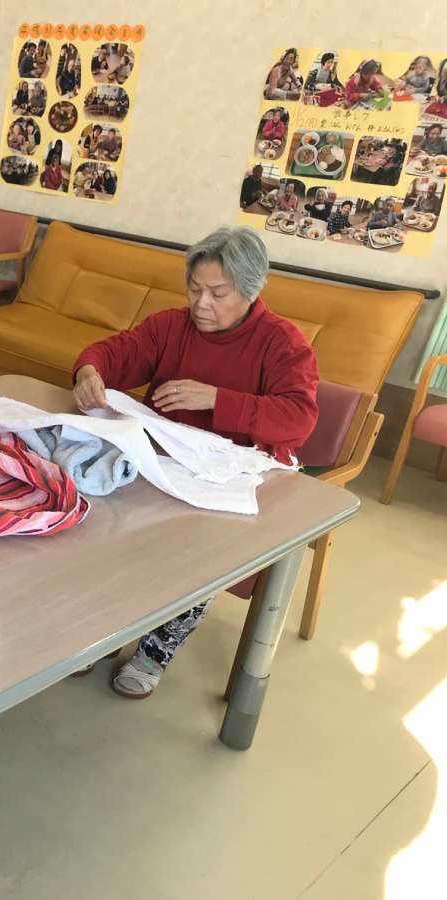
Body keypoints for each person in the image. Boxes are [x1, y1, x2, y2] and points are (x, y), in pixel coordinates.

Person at [71, 228, 318, 699]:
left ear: (251, 289)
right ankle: (109, 628)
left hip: (231, 475)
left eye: (218, 294)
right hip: (165, 462)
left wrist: (218, 400)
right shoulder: (170, 326)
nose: (202, 304)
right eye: (194, 288)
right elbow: (117, 352)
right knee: (106, 517)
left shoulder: (282, 342)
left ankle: (155, 649)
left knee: (199, 547)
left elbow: (299, 419)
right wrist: (89, 371)